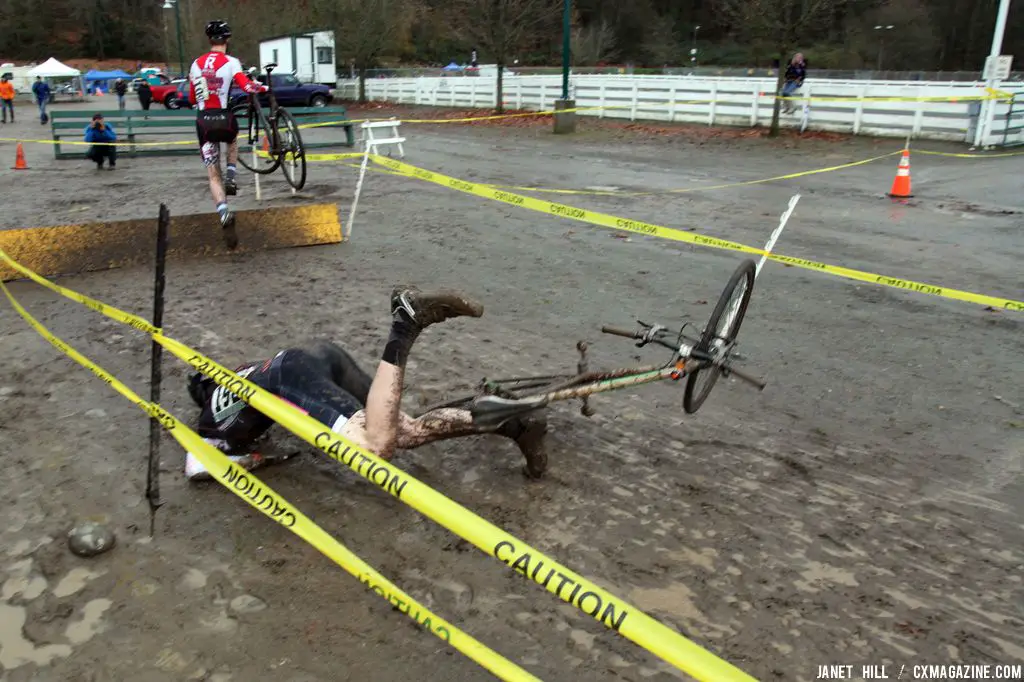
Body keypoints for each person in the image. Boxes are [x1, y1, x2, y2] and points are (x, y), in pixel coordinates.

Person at [184, 287, 549, 482]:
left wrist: (260, 457)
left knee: (376, 446)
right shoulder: (239, 377)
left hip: (290, 375)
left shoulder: (207, 424)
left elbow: (199, 469)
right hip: (313, 357)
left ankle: (404, 326)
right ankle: (509, 425)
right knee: (401, 430)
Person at [188, 19, 268, 250]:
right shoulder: (231, 62)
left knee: (213, 175)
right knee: (232, 140)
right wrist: (264, 88)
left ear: (209, 40)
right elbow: (247, 87)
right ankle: (232, 175)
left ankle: (223, 211)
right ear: (227, 40)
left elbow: (193, 99)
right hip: (224, 117)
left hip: (204, 122)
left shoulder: (196, 64)